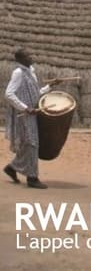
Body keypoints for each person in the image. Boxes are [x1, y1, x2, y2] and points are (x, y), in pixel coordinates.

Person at [3, 48, 60, 189]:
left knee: (29, 144)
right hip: (25, 115)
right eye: (27, 55)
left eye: (30, 54)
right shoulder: (18, 73)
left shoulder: (31, 72)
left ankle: (12, 168)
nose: (31, 56)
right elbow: (9, 94)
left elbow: (35, 93)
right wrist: (25, 108)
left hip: (33, 113)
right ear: (20, 59)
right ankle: (32, 178)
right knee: (32, 144)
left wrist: (49, 86)